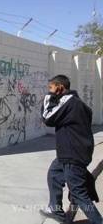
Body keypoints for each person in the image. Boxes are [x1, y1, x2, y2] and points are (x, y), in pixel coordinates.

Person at [39, 75, 102, 224]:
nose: (50, 90)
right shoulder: (76, 102)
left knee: (78, 193)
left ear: (60, 88)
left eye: (51, 88)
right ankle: (56, 210)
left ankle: (98, 221)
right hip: (70, 152)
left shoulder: (68, 102)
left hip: (72, 154)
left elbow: (47, 117)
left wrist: (50, 96)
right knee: (54, 174)